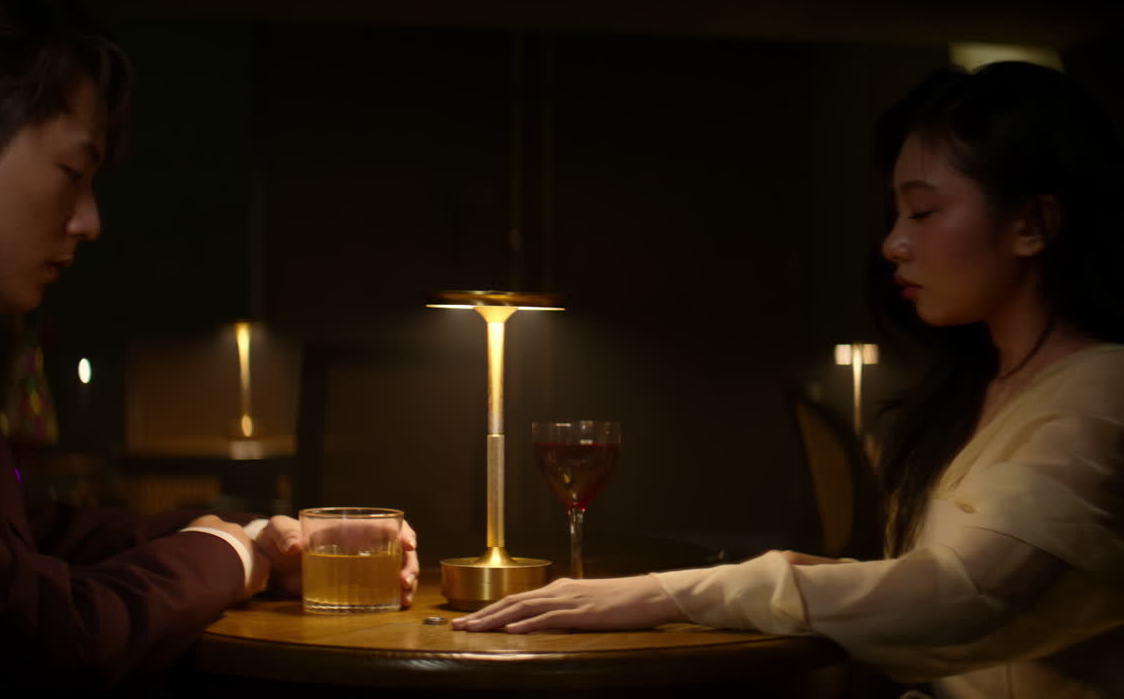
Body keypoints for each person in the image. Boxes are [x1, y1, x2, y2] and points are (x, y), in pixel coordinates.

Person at [454, 61, 1124, 698]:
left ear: (1032, 225)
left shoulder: (1103, 392)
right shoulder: (990, 387)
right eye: (895, 215)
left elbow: (964, 594)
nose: (894, 243)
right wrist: (685, 585)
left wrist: (670, 593)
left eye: (922, 213)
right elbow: (914, 582)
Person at [0, 0, 418, 691]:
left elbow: (21, 535)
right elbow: (37, 637)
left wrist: (258, 535)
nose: (88, 221)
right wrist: (227, 558)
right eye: (70, 174)